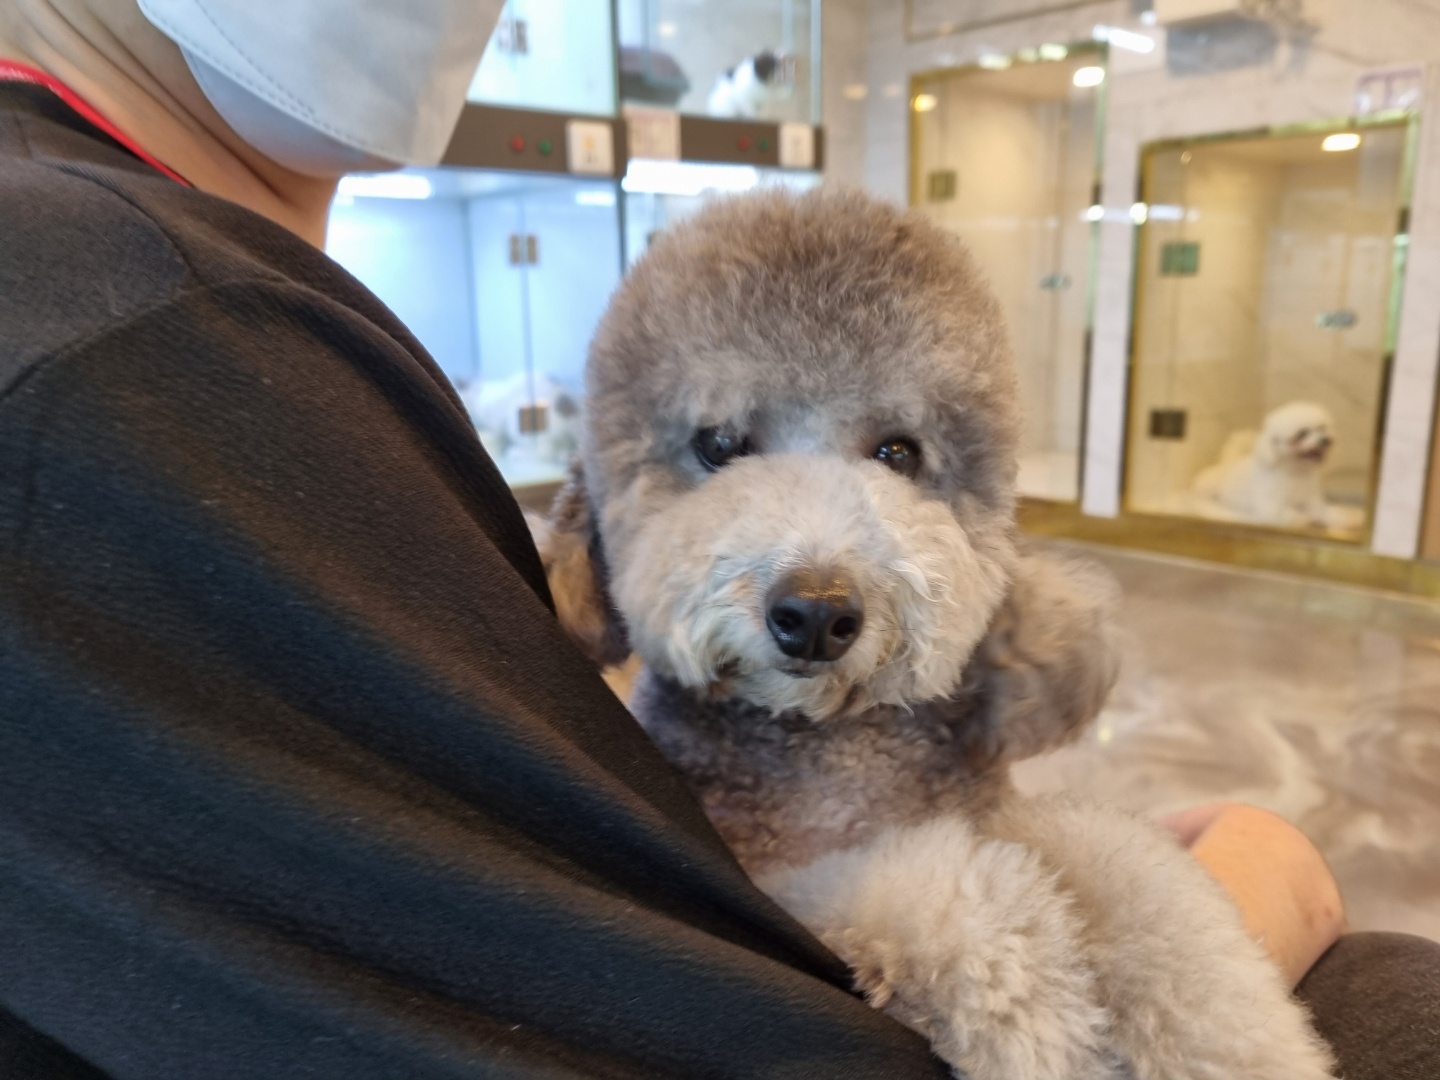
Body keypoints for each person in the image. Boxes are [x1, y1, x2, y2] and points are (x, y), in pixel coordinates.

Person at [0, 1, 1434, 1077]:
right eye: (725, 446)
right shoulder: (138, 342)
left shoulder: (192, 292)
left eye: (893, 453)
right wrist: (1249, 898)